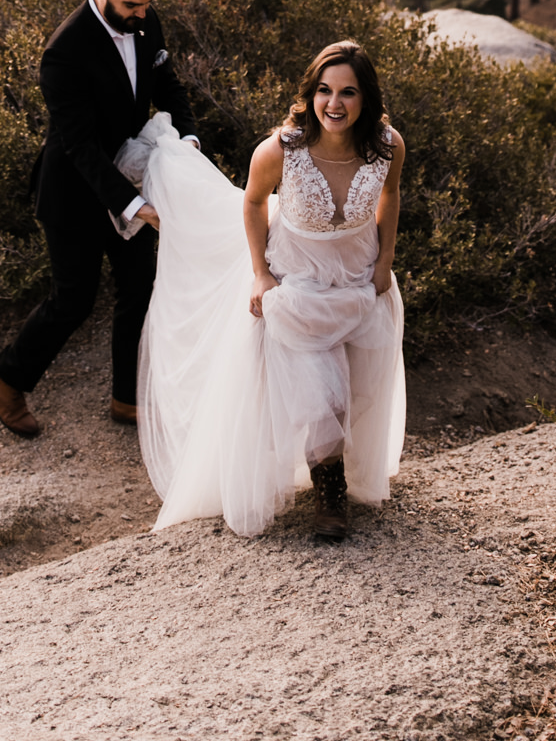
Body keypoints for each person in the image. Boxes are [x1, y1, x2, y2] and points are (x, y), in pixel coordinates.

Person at [132, 40, 406, 540]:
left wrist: (384, 261)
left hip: (358, 275)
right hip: (297, 280)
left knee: (359, 382)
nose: (334, 104)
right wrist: (261, 273)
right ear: (310, 94)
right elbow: (254, 203)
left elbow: (390, 193)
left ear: (367, 97)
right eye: (324, 91)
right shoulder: (283, 149)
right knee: (323, 392)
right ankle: (330, 491)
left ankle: (341, 470)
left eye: (348, 92)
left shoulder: (388, 145)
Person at [0, 0, 199, 437]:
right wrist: (139, 207)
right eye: (130, 5)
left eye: (147, 4)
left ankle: (127, 398)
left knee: (138, 288)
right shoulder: (63, 53)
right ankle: (6, 376)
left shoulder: (145, 19)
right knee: (73, 299)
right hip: (74, 190)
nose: (142, 15)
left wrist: (187, 139)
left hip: (132, 172)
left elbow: (169, 87)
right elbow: (80, 149)